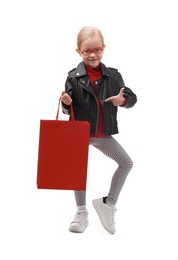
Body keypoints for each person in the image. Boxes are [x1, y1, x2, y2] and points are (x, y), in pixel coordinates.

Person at [61, 26, 137, 234]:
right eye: (87, 51)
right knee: (78, 171)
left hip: (102, 134)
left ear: (103, 48)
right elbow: (67, 109)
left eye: (97, 49)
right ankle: (81, 212)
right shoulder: (73, 77)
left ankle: (108, 204)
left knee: (126, 163)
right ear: (79, 52)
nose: (93, 54)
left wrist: (123, 100)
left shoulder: (113, 76)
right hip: (80, 133)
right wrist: (66, 103)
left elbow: (131, 98)